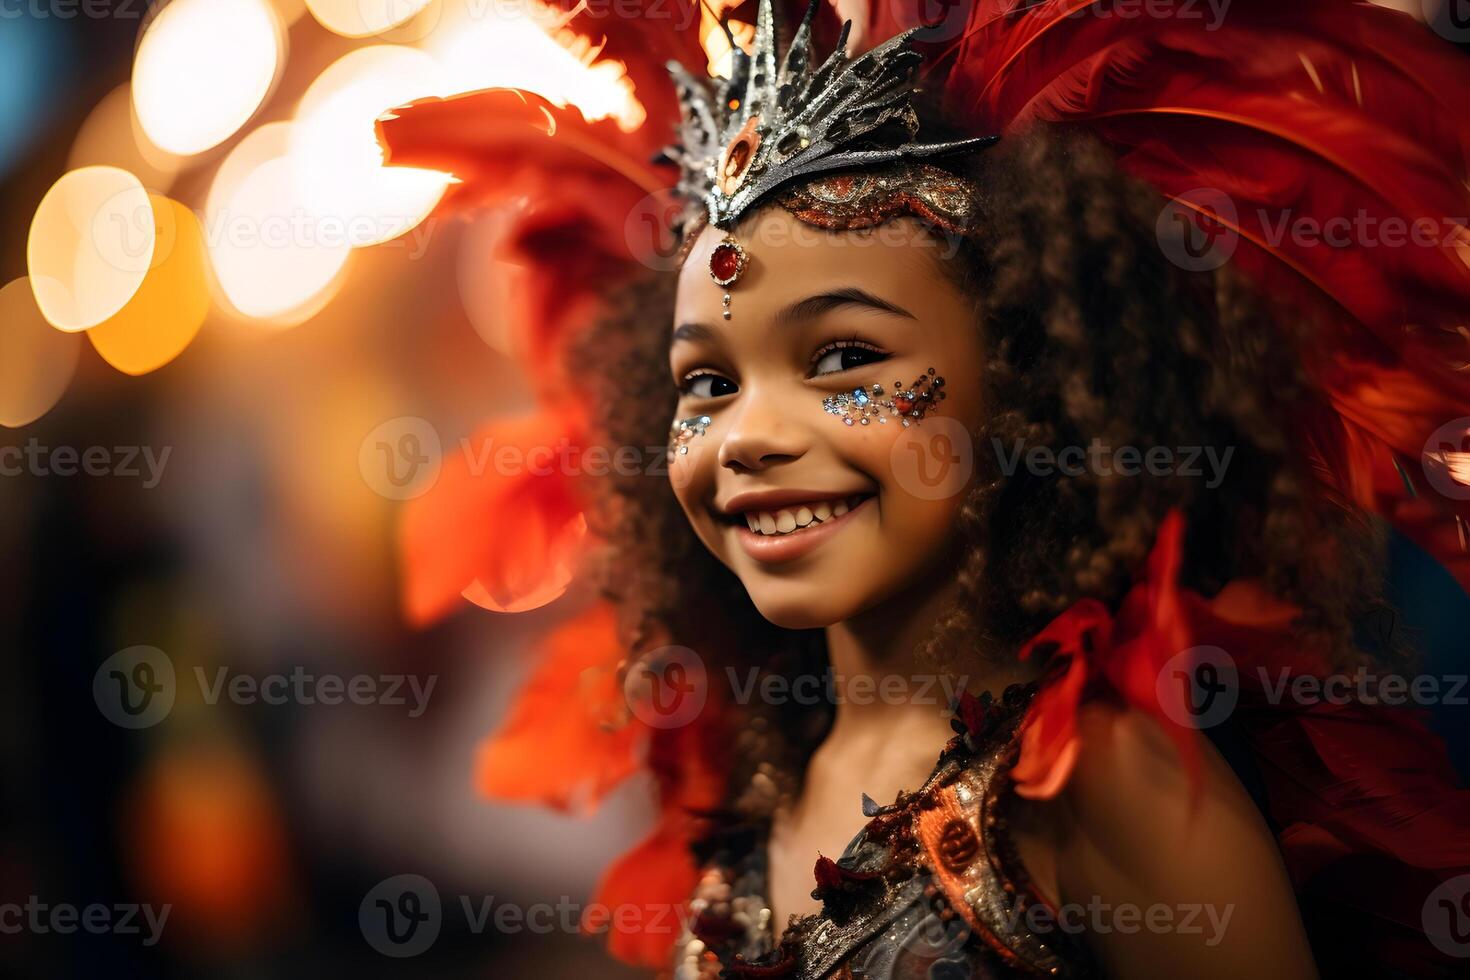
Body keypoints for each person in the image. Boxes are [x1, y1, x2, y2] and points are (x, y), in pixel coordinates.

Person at [379, 1, 1470, 976]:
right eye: (705, 382)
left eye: (846, 358)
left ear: (1027, 375)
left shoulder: (1099, 782)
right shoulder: (751, 795)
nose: (748, 436)